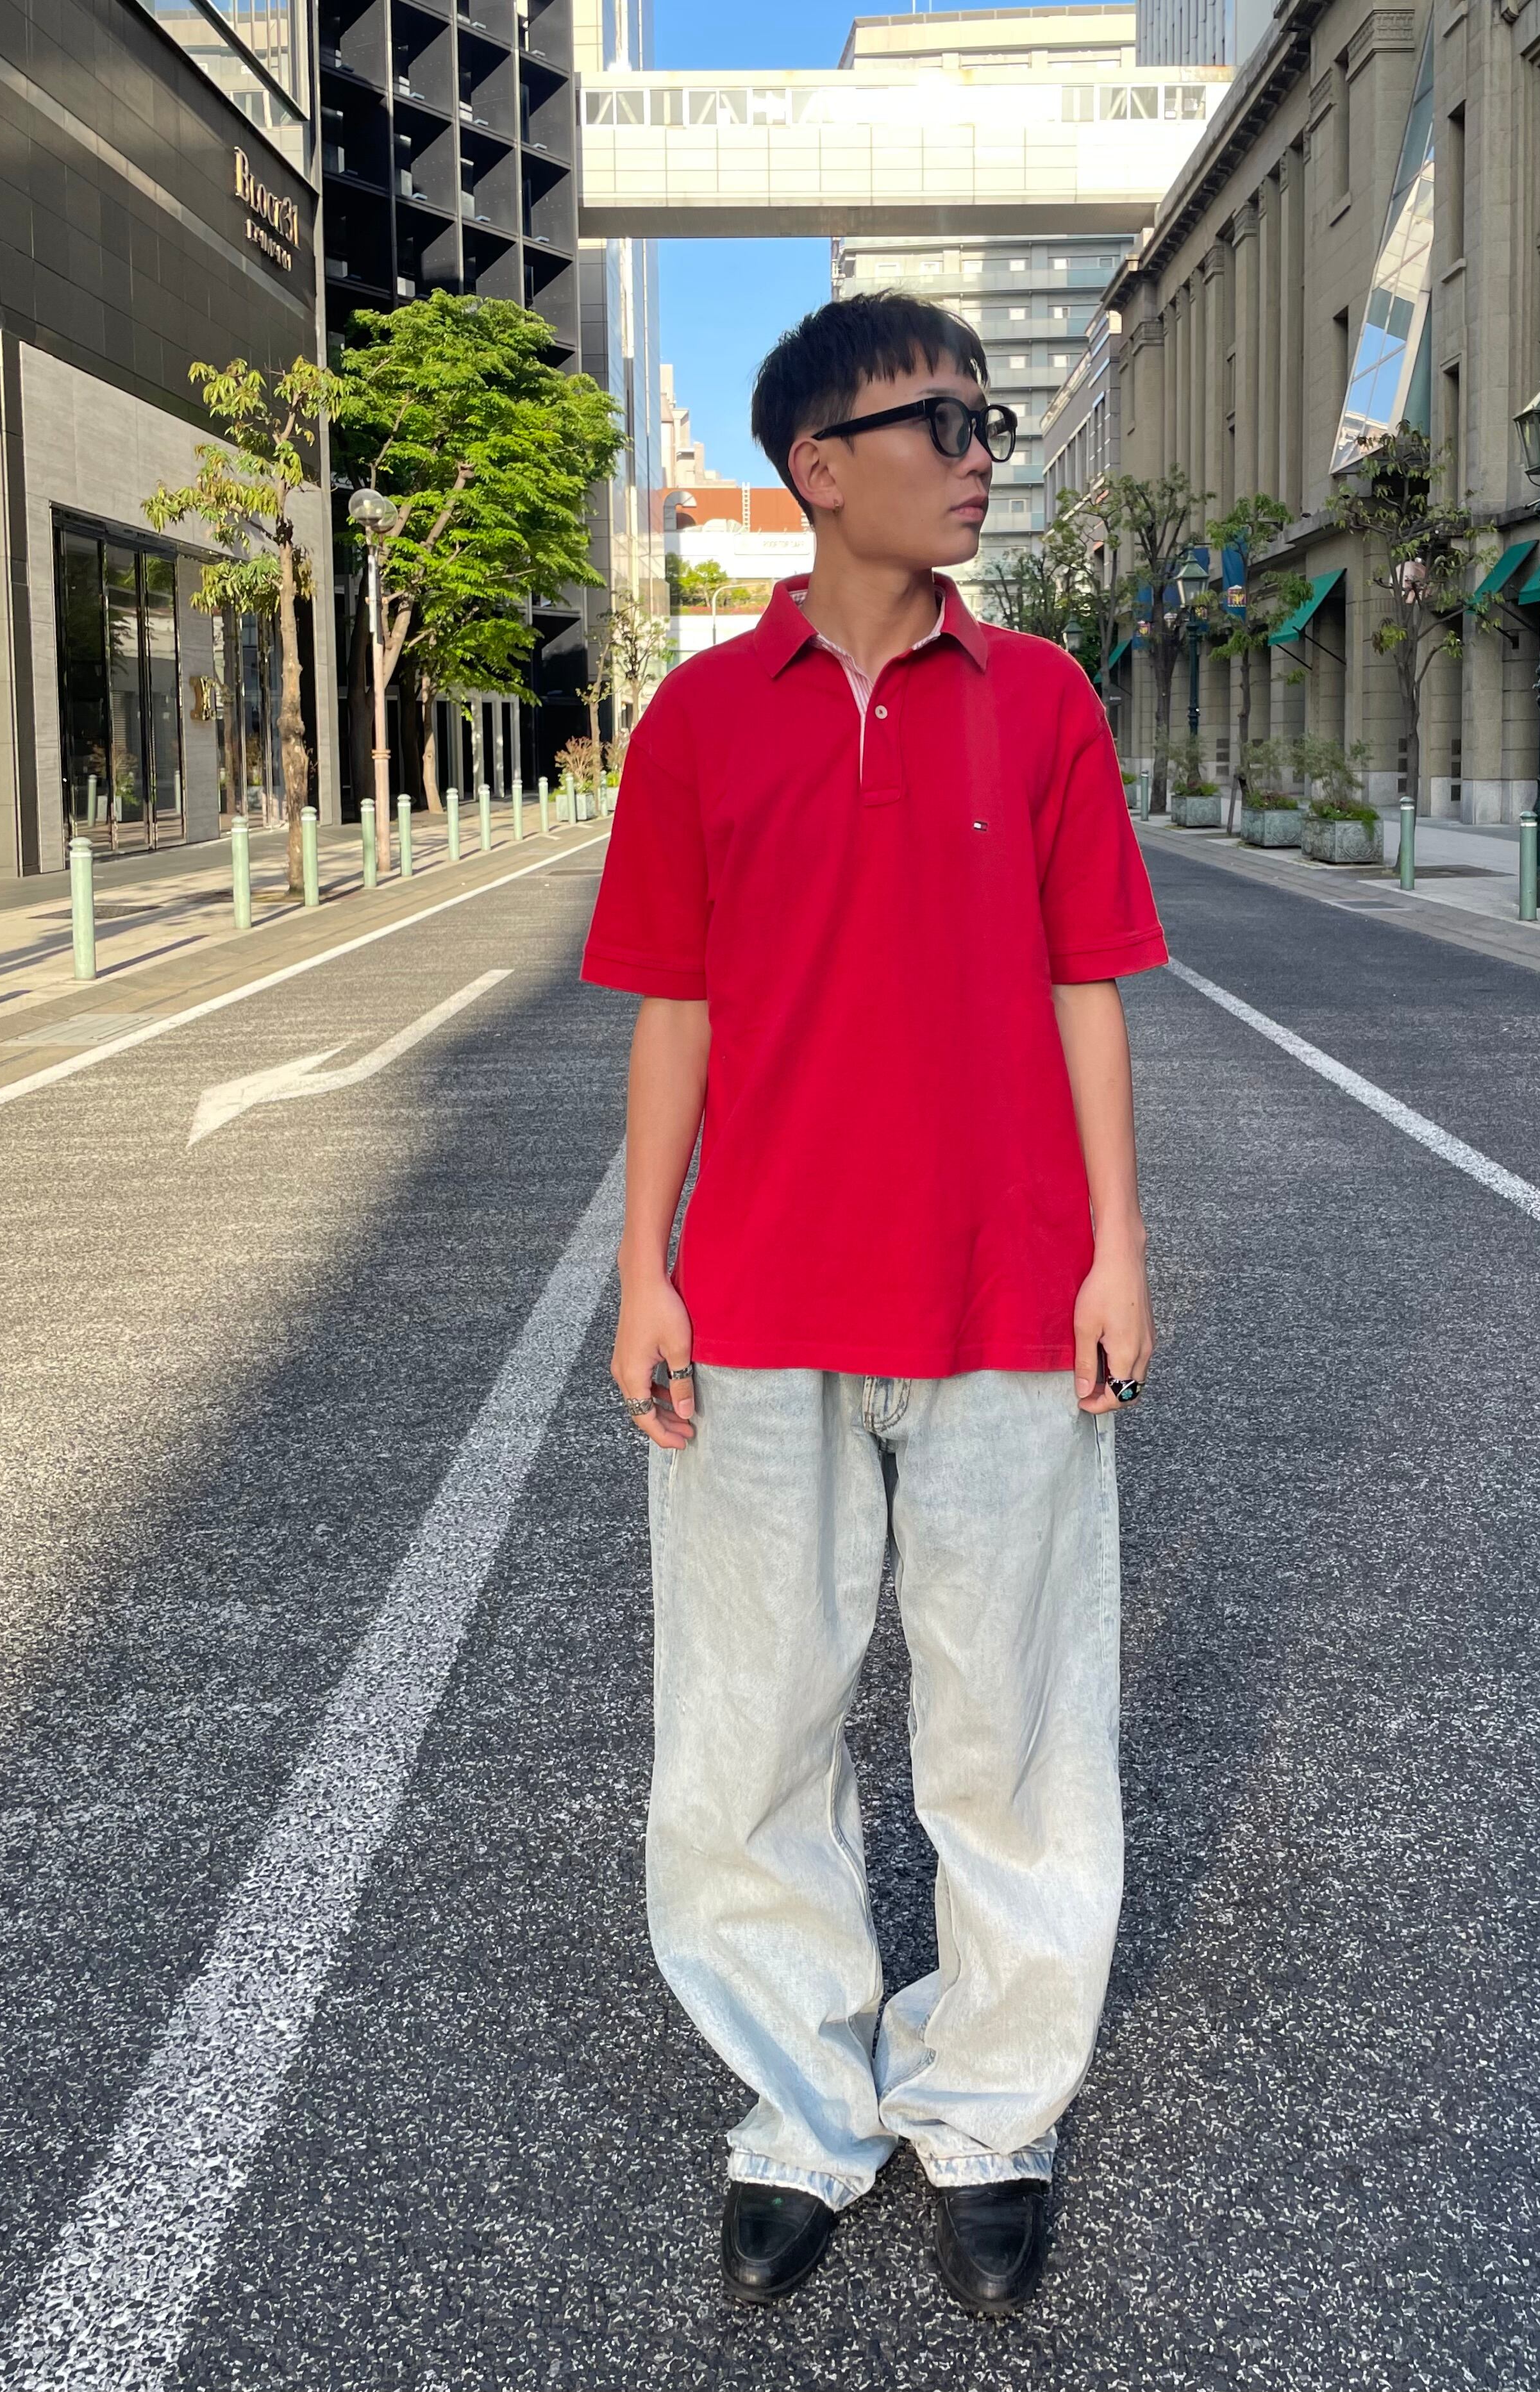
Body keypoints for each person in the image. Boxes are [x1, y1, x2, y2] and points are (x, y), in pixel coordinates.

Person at [579, 292, 1169, 2316]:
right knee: (749, 1722)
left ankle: (990, 2105)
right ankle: (802, 2103)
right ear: (820, 468)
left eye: (988, 417)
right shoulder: (700, 720)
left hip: (1007, 1287)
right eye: (943, 420)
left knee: (1017, 1724)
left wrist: (1117, 1246)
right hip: (756, 1299)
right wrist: (644, 1269)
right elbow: (677, 1011)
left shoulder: (1042, 700)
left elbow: (1087, 985)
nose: (982, 450)